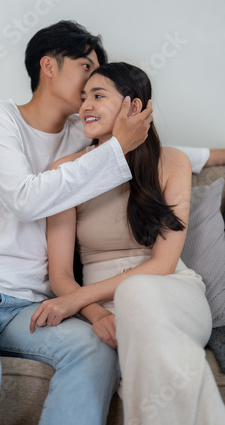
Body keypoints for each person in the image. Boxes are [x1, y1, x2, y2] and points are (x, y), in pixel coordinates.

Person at [0, 21, 154, 425]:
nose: (91, 81)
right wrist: (115, 148)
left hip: (28, 306)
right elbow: (27, 199)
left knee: (96, 351)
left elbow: (154, 148)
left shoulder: (82, 134)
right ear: (49, 66)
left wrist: (211, 154)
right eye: (85, 66)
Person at [30, 62, 225, 425]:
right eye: (84, 96)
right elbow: (59, 275)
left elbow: (163, 265)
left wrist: (75, 301)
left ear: (134, 107)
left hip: (171, 294)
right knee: (167, 352)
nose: (85, 105)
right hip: (105, 306)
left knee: (138, 293)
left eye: (98, 96)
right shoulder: (66, 171)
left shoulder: (171, 162)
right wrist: (97, 313)